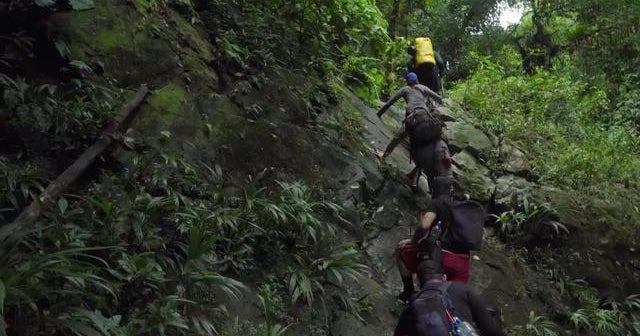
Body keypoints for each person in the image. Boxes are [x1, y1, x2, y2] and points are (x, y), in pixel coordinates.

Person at [394, 260, 506, 336]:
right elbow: (491, 330)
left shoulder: (412, 306)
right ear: (444, 277)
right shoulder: (461, 290)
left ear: (418, 282)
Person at [395, 196, 472, 301]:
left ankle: (408, 292)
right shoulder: (463, 208)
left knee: (401, 250)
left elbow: (425, 225)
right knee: (455, 299)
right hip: (462, 262)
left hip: (441, 255)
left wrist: (413, 241)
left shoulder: (438, 202)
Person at [375, 72, 442, 188]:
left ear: (407, 81)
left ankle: (383, 156)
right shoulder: (422, 87)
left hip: (414, 119)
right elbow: (439, 98)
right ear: (416, 80)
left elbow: (389, 103)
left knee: (397, 138)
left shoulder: (405, 90)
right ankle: (415, 177)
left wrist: (378, 114)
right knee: (423, 146)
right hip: (428, 119)